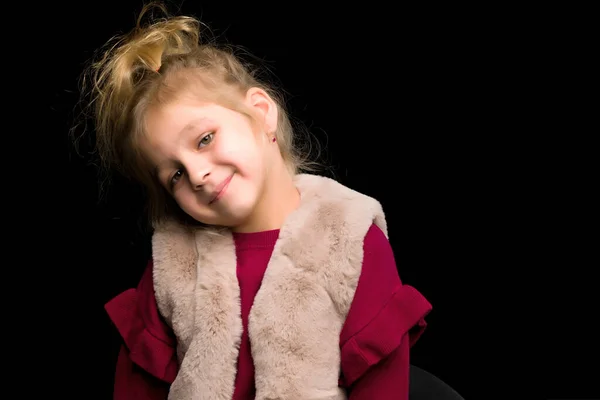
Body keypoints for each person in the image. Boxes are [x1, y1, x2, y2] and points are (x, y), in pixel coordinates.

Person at [78, 2, 432, 399]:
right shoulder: (172, 262)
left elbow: (381, 383)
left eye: (205, 139)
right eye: (174, 174)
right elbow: (137, 387)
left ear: (261, 112)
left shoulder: (348, 234)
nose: (197, 175)